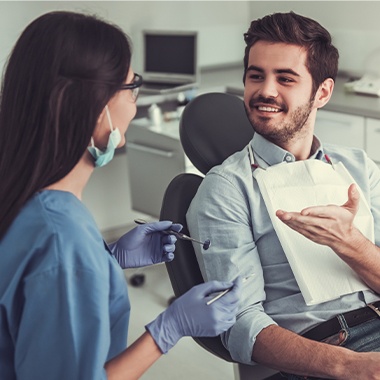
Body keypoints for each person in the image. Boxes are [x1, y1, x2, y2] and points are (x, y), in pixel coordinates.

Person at [0, 11, 242, 380]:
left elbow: (29, 299)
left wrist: (108, 260)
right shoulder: (61, 241)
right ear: (95, 109)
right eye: (132, 88)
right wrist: (169, 329)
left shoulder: (27, 197)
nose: (134, 102)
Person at [187, 11, 380, 379]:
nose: (266, 91)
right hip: (328, 346)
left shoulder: (358, 168)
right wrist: (355, 367)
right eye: (256, 76)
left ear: (322, 92)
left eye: (285, 78)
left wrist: (351, 242)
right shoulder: (227, 188)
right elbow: (240, 325)